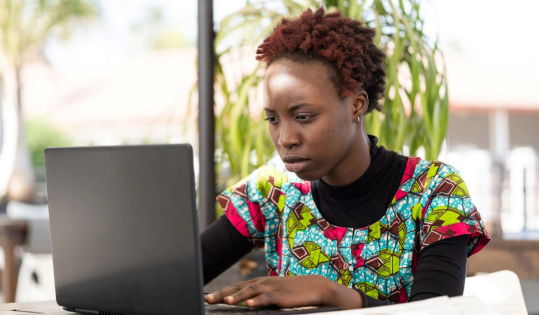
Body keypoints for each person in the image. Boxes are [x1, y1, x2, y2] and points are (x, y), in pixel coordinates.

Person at [201, 7, 490, 310]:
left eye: (303, 116)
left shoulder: (434, 192)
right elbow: (174, 277)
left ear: (356, 105)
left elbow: (437, 311)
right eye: (273, 119)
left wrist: (331, 294)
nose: (285, 138)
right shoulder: (272, 191)